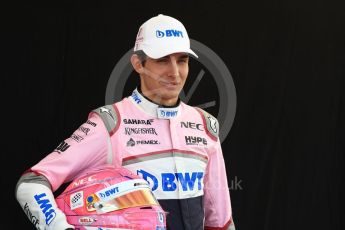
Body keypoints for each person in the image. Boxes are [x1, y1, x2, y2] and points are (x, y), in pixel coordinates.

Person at [15, 14, 236, 230]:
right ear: (138, 64)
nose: (175, 73)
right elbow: (31, 183)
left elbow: (221, 222)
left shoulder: (204, 124)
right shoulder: (111, 124)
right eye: (162, 60)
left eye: (182, 60)